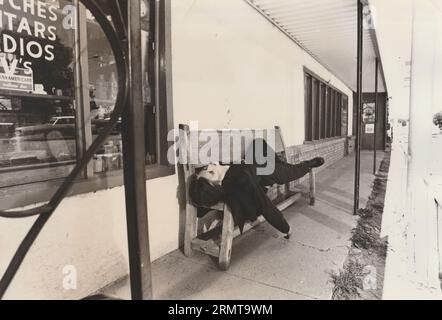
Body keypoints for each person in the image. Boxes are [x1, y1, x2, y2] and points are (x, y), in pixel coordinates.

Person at [189, 139, 325, 239]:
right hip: (268, 171)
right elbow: (263, 203)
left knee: (258, 143)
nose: (211, 165)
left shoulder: (215, 176)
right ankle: (308, 165)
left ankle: (283, 164)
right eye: (209, 171)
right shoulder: (239, 180)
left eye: (205, 168)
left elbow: (200, 202)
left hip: (257, 158)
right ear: (216, 183)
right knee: (292, 171)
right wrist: (286, 228)